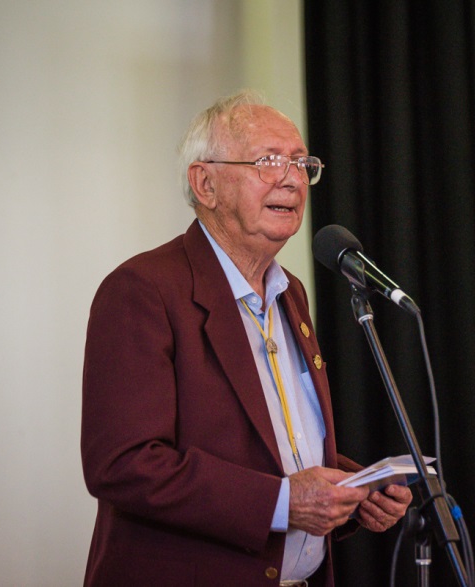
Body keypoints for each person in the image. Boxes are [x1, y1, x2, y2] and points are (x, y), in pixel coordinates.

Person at [81, 90, 413, 587]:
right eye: (268, 161)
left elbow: (275, 449)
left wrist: (353, 487)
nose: (292, 179)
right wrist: (284, 503)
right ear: (206, 183)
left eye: (302, 163)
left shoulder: (289, 292)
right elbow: (124, 464)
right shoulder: (144, 290)